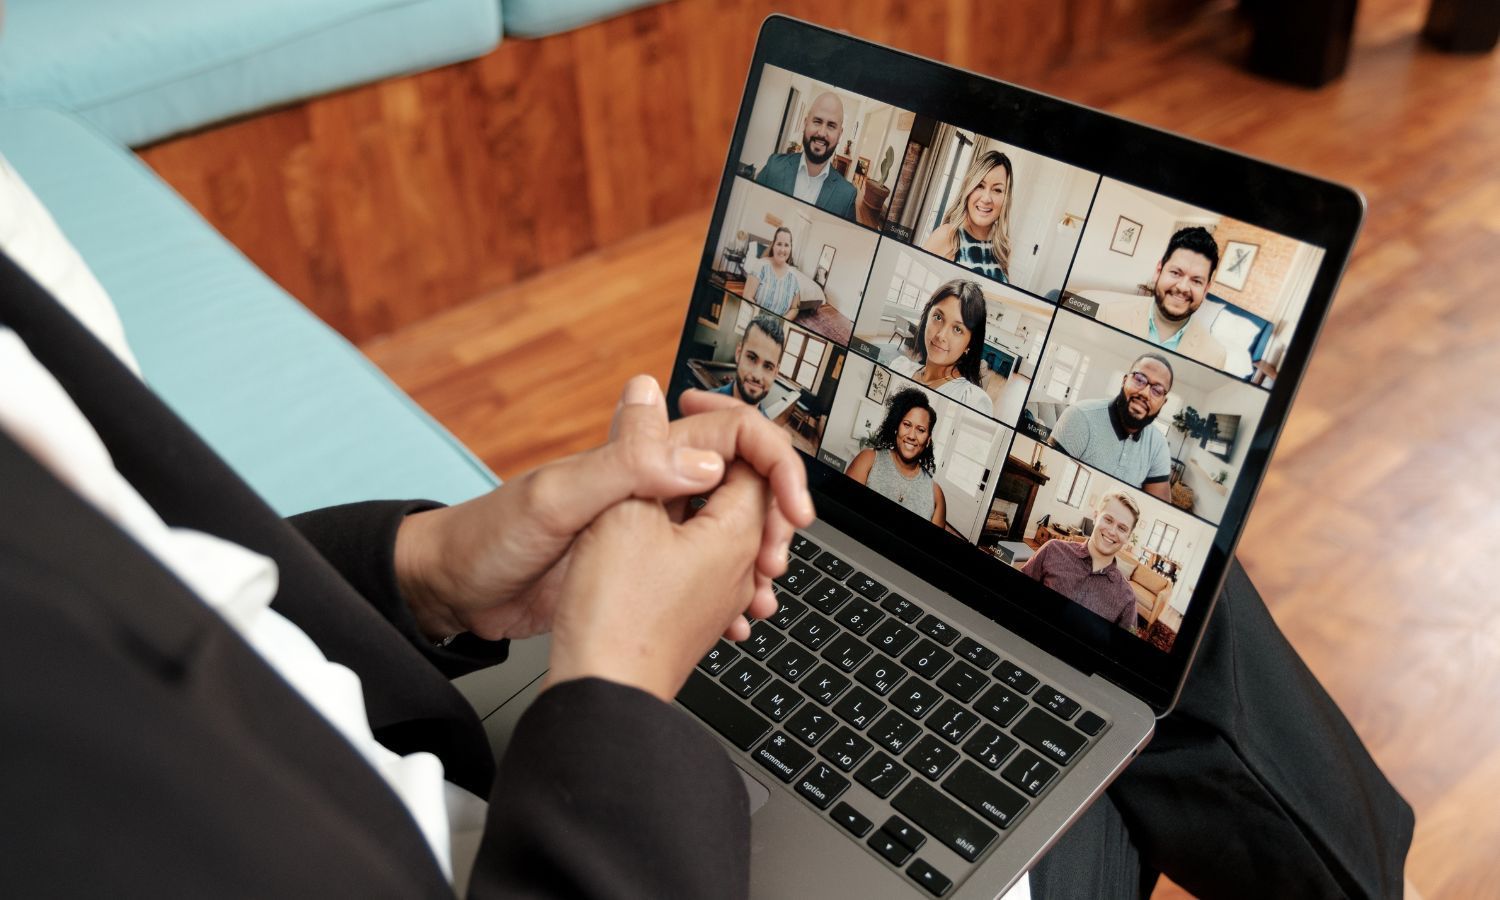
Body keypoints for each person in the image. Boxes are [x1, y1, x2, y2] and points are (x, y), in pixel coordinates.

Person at [1095, 226, 1229, 369]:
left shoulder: (1215, 357)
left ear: (1206, 289)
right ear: (1158, 271)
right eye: (1176, 273)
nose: (1183, 287)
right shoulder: (1108, 314)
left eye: (1196, 281)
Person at [1048, 352, 1175, 502]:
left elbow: (1156, 506)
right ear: (1124, 381)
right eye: (1139, 379)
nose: (1145, 393)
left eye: (1157, 390)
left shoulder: (1159, 445)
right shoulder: (1079, 416)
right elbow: (1047, 480)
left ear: (1163, 402)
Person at [1020, 491, 1142, 632]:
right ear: (1095, 516)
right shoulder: (1052, 549)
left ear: (1128, 537)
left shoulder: (1127, 599)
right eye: (1108, 520)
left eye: (1122, 528)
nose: (1112, 531)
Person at [888, 278, 994, 415]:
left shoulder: (972, 401)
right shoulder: (899, 366)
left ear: (970, 344)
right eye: (938, 317)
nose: (941, 335)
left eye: (957, 329)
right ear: (927, 317)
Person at [844, 387, 946, 527]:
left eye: (921, 430)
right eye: (907, 425)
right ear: (897, 427)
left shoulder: (936, 495)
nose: (911, 436)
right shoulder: (867, 460)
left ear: (928, 440)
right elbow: (842, 515)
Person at [754, 91, 858, 219]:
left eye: (831, 126)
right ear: (806, 123)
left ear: (840, 134)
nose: (822, 133)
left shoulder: (847, 196)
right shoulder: (774, 166)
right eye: (817, 121)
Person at [922, 150, 1014, 284]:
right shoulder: (947, 236)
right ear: (968, 188)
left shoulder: (1003, 246)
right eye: (980, 186)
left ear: (1006, 198)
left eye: (997, 190)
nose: (986, 198)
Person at [711, 313, 785, 414]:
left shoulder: (765, 423)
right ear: (738, 353)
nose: (757, 375)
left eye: (768, 367)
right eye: (751, 358)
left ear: (775, 373)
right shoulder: (701, 409)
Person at [741, 226, 801, 316]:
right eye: (779, 244)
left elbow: (794, 308)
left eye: (786, 245)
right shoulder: (760, 265)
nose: (782, 250)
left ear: (790, 248)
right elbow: (747, 296)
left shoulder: (794, 276)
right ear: (773, 245)